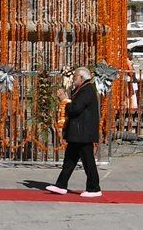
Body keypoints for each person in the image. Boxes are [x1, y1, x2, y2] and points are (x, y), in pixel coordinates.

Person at [46, 67, 102, 198]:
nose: (73, 79)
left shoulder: (87, 90)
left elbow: (75, 109)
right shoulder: (81, 89)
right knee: (69, 160)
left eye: (75, 77)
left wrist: (65, 101)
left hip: (82, 133)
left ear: (82, 78)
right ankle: (61, 185)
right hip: (78, 133)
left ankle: (94, 188)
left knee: (88, 162)